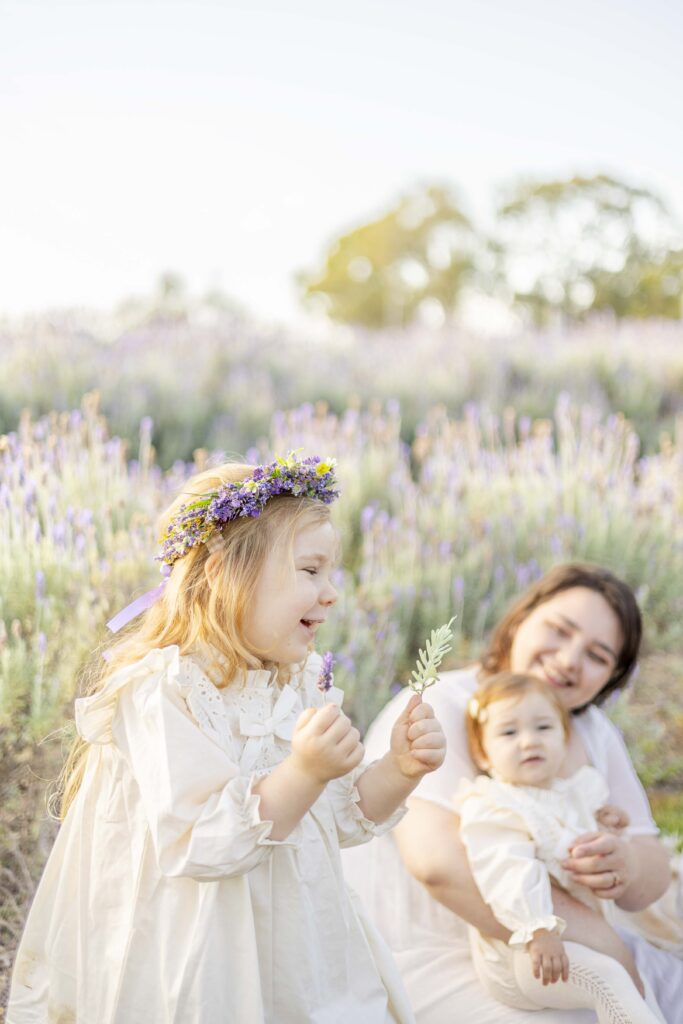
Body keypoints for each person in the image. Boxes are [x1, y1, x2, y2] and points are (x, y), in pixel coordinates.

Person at [8, 453, 446, 1024]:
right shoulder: (164, 690)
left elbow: (332, 818)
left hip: (299, 955)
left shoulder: (300, 679)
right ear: (224, 574)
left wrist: (398, 770)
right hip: (197, 956)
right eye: (310, 571)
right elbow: (201, 841)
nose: (332, 592)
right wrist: (304, 771)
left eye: (330, 573)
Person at [344, 563, 683, 1023]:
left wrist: (625, 863)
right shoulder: (444, 704)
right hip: (442, 953)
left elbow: (652, 865)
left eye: (598, 656)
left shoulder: (592, 730)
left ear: (612, 678)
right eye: (559, 631)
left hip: (577, 943)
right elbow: (438, 867)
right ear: (521, 618)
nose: (568, 660)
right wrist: (603, 942)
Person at [457, 671, 664, 1023]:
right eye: (509, 732)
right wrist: (538, 928)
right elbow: (507, 869)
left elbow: (579, 846)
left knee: (637, 985)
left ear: (566, 738)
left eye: (544, 728)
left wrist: (607, 827)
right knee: (610, 978)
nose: (529, 742)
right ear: (482, 751)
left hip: (575, 936)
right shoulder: (494, 804)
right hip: (521, 949)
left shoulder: (573, 792)